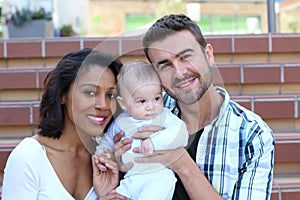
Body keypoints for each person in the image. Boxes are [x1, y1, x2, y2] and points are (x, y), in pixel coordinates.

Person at [114, 14, 275, 200]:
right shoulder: (144, 110)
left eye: (185, 57)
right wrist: (120, 162)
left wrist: (182, 164)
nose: (180, 73)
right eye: (165, 65)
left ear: (208, 54)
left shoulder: (252, 134)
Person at [2, 48, 127, 200]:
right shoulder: (30, 156)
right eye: (90, 93)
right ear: (62, 95)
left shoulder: (106, 160)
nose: (103, 105)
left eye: (110, 95)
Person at [96, 60, 189, 200]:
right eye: (142, 101)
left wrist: (154, 142)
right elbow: (107, 141)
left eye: (157, 98)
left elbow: (181, 133)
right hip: (130, 179)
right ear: (123, 103)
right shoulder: (121, 122)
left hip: (157, 178)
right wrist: (102, 157)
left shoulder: (165, 116)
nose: (151, 106)